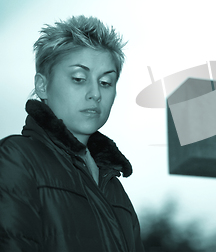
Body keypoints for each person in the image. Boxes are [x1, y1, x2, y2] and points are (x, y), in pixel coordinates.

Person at [0, 16, 144, 252]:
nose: (95, 93)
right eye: (79, 78)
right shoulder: (15, 159)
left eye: (106, 82)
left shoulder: (114, 187)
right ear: (42, 86)